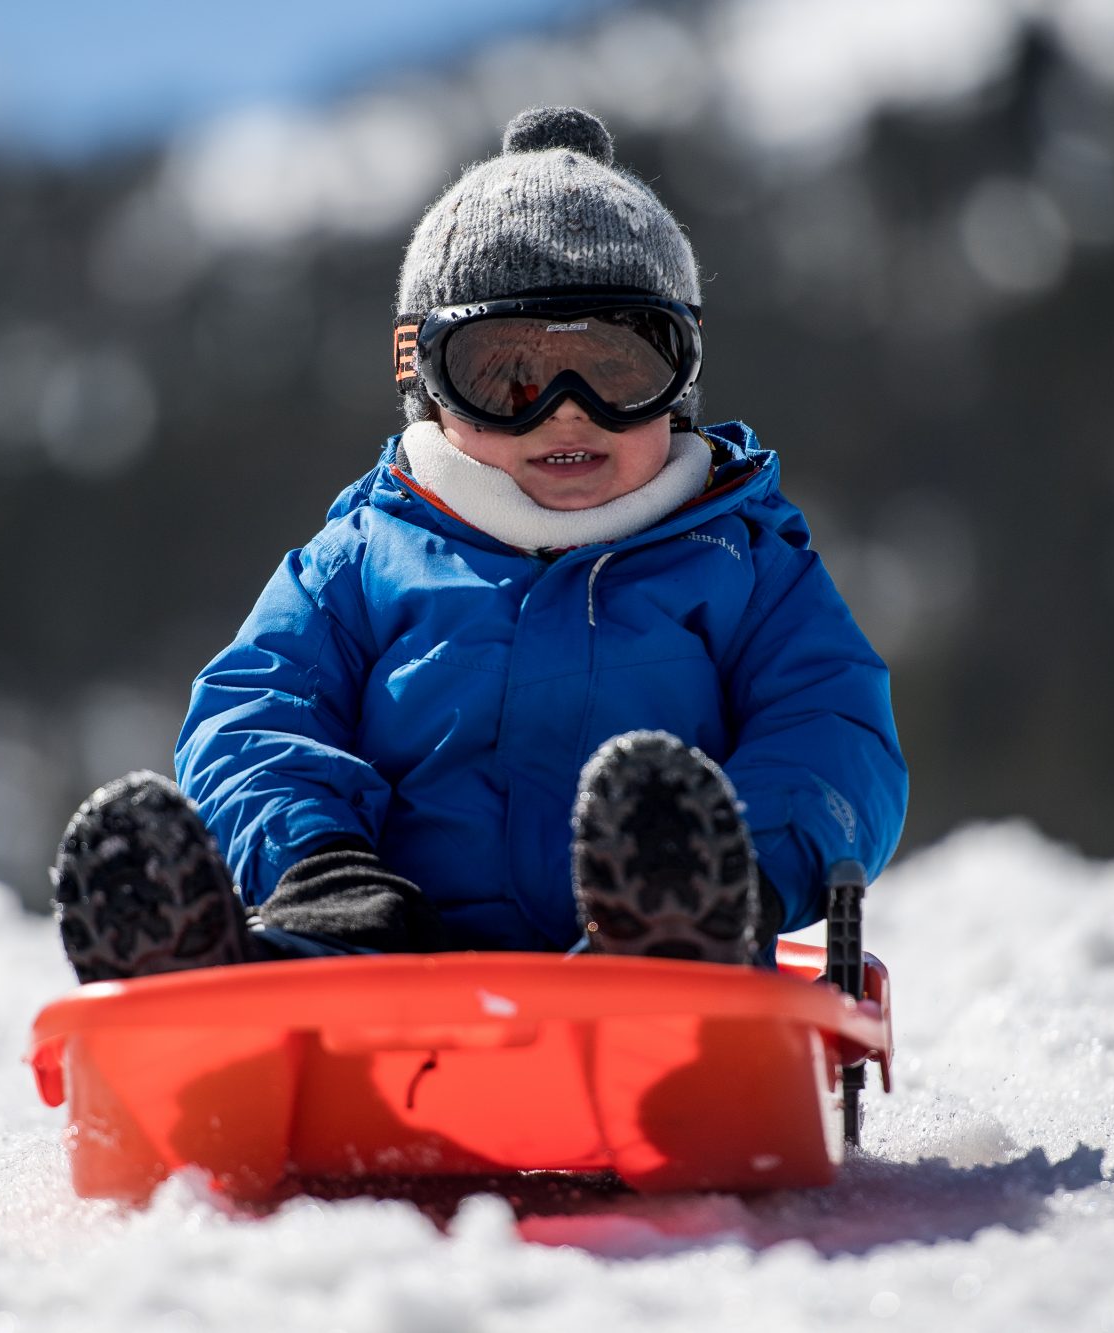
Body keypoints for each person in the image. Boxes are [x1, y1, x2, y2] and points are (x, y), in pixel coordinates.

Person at [50, 107, 906, 983]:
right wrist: (320, 864)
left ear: (680, 383)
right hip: (382, 965)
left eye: (620, 368)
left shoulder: (745, 563)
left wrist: (739, 869)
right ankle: (190, 962)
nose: (568, 407)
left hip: (667, 965)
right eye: (509, 376)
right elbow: (253, 718)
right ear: (425, 384)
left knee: (675, 937)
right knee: (313, 957)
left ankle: (674, 907)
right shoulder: (360, 563)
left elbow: (834, 733)